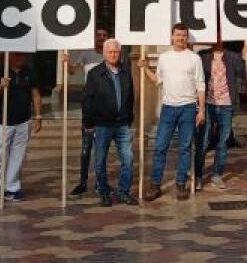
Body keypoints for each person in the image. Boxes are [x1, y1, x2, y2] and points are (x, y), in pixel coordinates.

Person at [143, 23, 205, 202]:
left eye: (183, 35)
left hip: (188, 107)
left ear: (187, 37)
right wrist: (145, 68)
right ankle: (155, 184)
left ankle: (180, 183)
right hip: (168, 108)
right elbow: (158, 80)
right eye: (177, 35)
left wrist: (201, 110)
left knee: (185, 148)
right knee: (160, 147)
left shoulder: (194, 59)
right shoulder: (164, 57)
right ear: (172, 37)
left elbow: (200, 84)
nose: (180, 38)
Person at [0, 53, 42, 208]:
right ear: (10, 55)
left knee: (18, 155)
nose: (21, 57)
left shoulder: (29, 71)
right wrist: (1, 86)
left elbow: (35, 94)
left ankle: (11, 187)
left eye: (22, 55)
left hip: (23, 120)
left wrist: (38, 116)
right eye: (17, 55)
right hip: (4, 121)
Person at [82, 38, 138, 206]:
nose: (113, 55)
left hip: (122, 124)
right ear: (104, 54)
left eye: (116, 52)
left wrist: (129, 118)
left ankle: (123, 191)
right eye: (110, 52)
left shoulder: (126, 72)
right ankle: (104, 192)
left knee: (128, 160)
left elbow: (130, 96)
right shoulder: (94, 73)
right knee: (100, 161)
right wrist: (89, 122)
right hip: (102, 124)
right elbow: (87, 100)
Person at [196, 40, 245, 190]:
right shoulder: (203, 55)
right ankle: (198, 175)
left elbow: (243, 73)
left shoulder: (232, 57)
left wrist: (245, 57)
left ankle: (217, 174)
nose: (217, 40)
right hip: (208, 104)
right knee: (203, 140)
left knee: (223, 141)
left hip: (226, 103)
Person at [69, 28, 111, 198]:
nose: (101, 38)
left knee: (102, 146)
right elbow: (72, 70)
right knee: (86, 147)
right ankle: (83, 181)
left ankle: (101, 181)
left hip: (106, 105)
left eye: (104, 35)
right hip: (90, 105)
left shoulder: (110, 54)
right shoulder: (86, 54)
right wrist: (66, 62)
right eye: (98, 35)